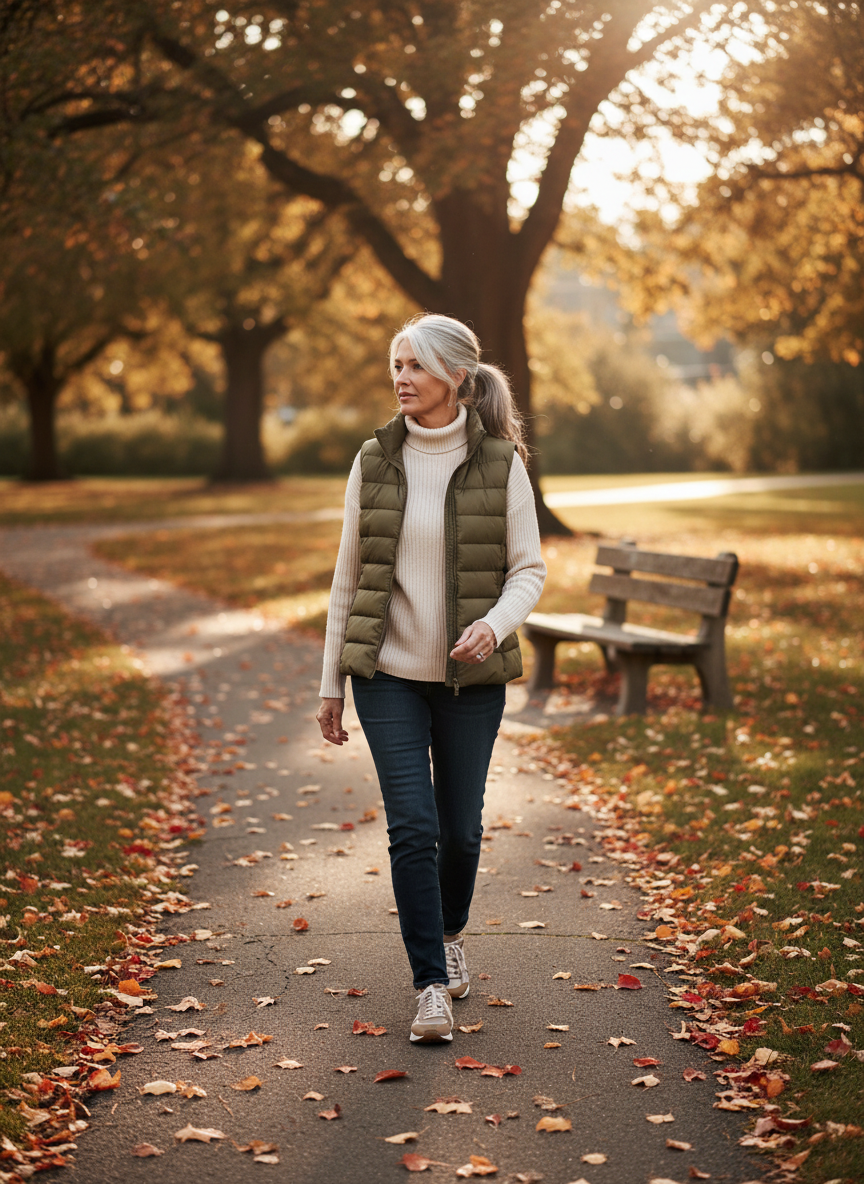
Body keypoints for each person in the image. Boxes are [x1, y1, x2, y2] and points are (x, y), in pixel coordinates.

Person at [316, 313, 546, 1043]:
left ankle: (450, 930)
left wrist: (494, 625)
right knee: (413, 829)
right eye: (395, 365)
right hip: (385, 675)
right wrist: (330, 683)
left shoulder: (502, 462)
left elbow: (529, 570)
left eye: (414, 366)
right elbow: (346, 579)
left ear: (456, 378)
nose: (401, 379)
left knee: (462, 832)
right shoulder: (373, 460)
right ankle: (428, 987)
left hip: (469, 682)